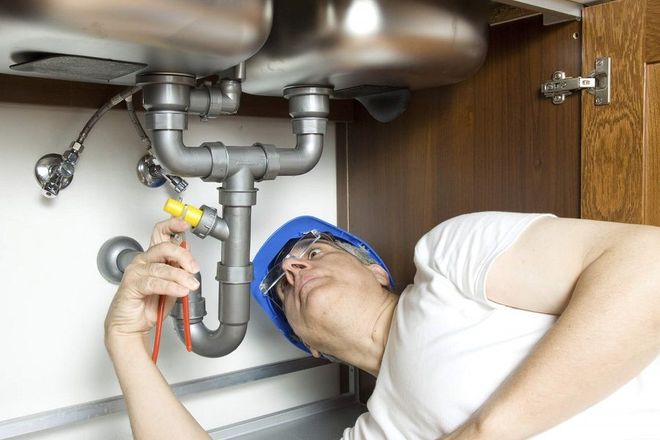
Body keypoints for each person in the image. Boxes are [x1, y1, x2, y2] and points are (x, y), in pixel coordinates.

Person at [105, 211, 660, 439]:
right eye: (278, 287)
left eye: (309, 249)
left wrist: (486, 433)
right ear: (310, 348)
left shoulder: (446, 262)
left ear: (373, 267)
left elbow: (649, 264)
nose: (293, 267)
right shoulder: (378, 434)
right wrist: (125, 341)